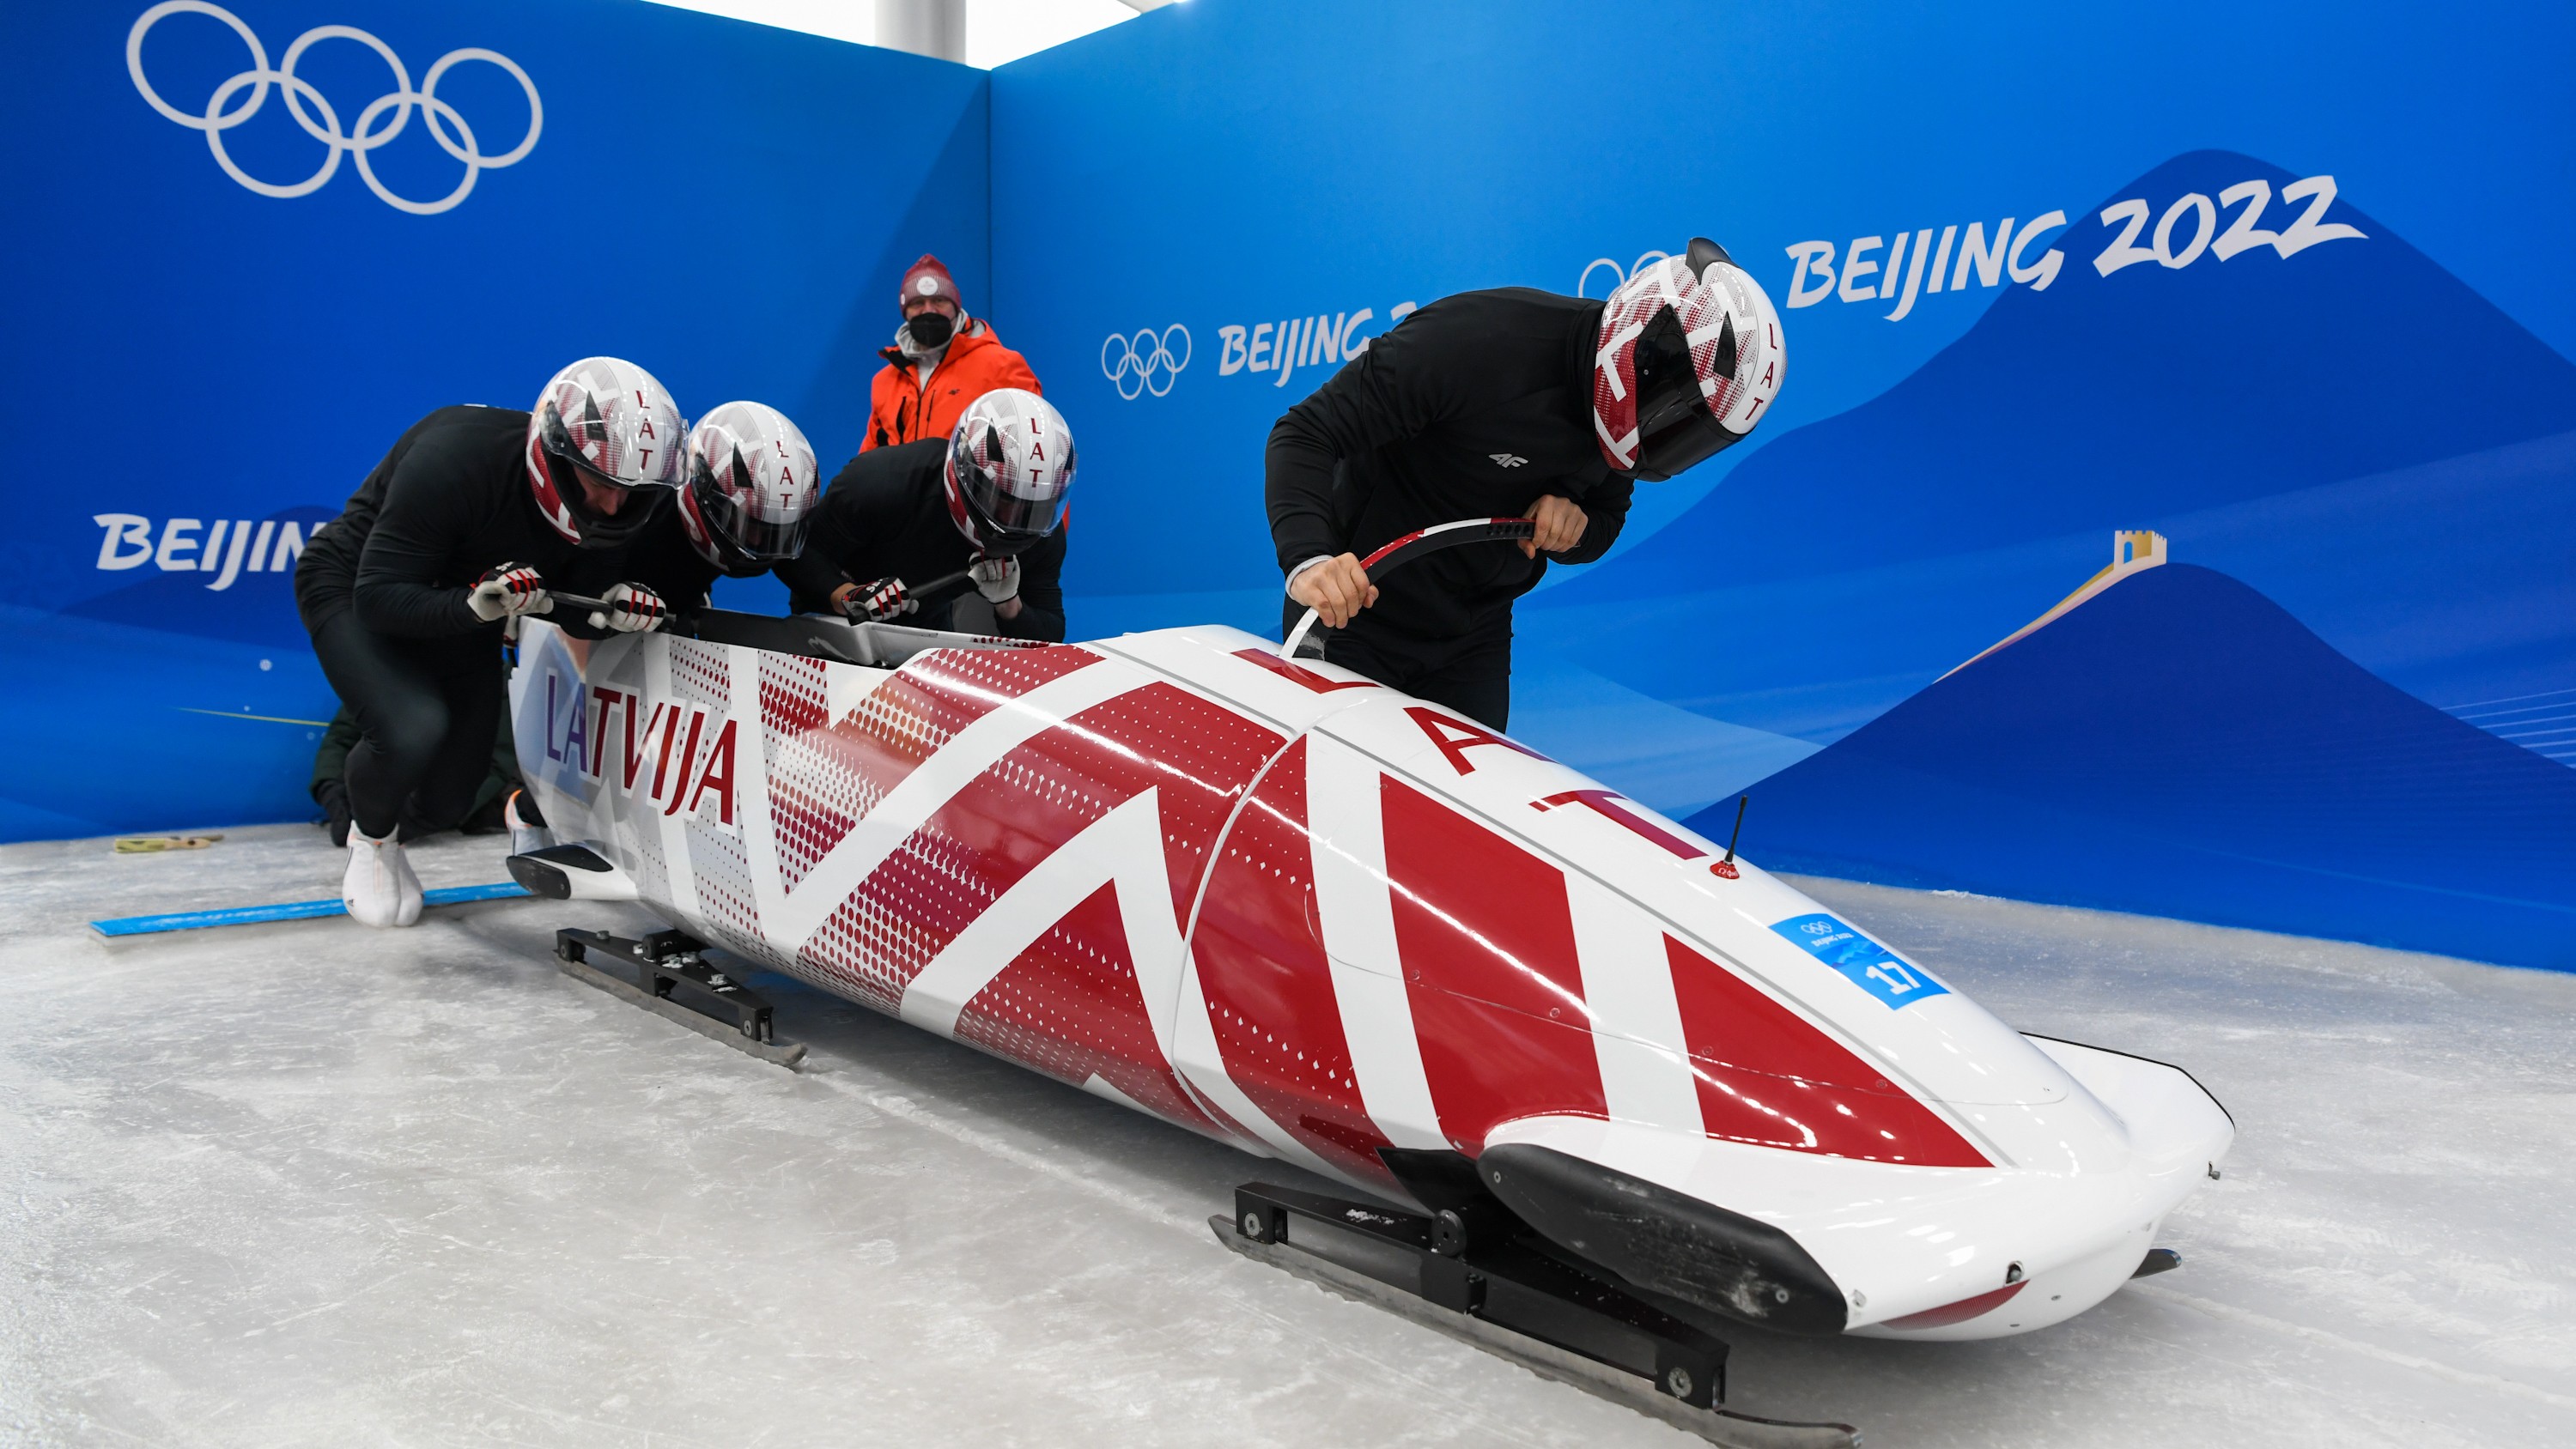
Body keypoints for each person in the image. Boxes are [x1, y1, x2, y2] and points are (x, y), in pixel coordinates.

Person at [1265, 238, 1785, 728]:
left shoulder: (1623, 432)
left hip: (1474, 634)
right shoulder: (1475, 341)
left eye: (1691, 429)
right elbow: (1306, 432)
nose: (1668, 434)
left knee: (1460, 815)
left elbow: (1606, 516)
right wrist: (1309, 560)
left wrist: (1575, 530)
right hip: (1358, 613)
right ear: (1641, 339)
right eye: (1674, 408)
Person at [295, 357, 684, 927]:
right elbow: (378, 595)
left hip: (468, 604)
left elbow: (575, 604)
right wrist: (472, 606)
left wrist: (615, 610)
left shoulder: (613, 507)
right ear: (556, 457)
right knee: (411, 726)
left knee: (453, 796)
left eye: (630, 492)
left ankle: (397, 822)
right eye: (602, 485)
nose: (612, 507)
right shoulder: (453, 460)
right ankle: (372, 836)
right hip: (357, 585)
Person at [778, 388, 1071, 640]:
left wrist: (1010, 604)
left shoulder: (1042, 535)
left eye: (1032, 510)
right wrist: (846, 594)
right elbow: (793, 551)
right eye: (1002, 502)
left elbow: (1051, 631)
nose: (1015, 522)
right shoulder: (880, 483)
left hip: (922, 633)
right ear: (964, 473)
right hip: (832, 625)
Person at [559, 399, 823, 614]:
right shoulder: (636, 510)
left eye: (773, 531)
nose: (756, 539)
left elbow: (799, 561)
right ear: (699, 488)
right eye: (743, 521)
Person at [861, 253, 1042, 452]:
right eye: (918, 303)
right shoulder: (885, 381)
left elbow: (1032, 447)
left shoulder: (1002, 366)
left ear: (956, 306)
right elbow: (868, 462)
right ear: (906, 311)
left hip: (970, 483)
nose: (929, 310)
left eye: (939, 300)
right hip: (900, 485)